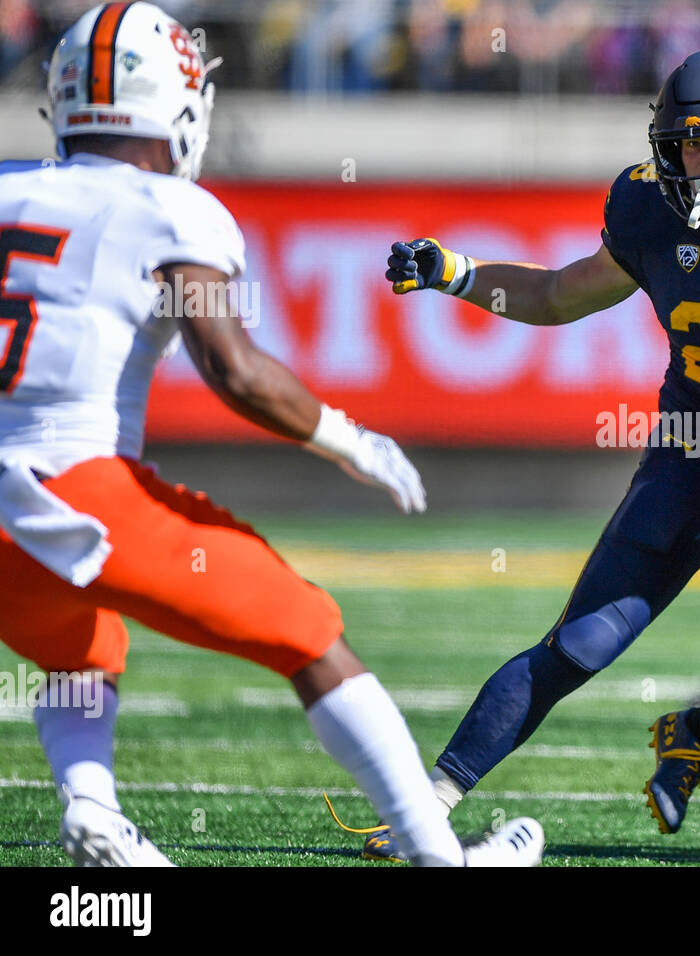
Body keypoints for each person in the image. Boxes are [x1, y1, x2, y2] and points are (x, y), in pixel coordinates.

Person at [0, 1, 540, 867]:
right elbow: (235, 370)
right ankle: (440, 856)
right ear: (178, 104)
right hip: (78, 486)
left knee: (80, 639)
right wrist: (350, 440)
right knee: (311, 634)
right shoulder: (176, 209)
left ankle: (95, 809)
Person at [364, 45, 700, 854]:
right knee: (577, 646)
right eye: (689, 143)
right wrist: (457, 272)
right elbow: (559, 293)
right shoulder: (646, 206)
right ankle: (427, 806)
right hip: (689, 464)